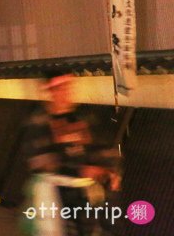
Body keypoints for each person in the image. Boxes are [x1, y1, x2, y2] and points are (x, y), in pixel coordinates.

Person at [23, 72, 121, 236]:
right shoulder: (39, 122)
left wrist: (110, 169)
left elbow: (101, 146)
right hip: (56, 194)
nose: (67, 93)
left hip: (86, 192)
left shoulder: (83, 116)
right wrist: (79, 170)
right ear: (51, 91)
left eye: (69, 88)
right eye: (61, 89)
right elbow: (41, 160)